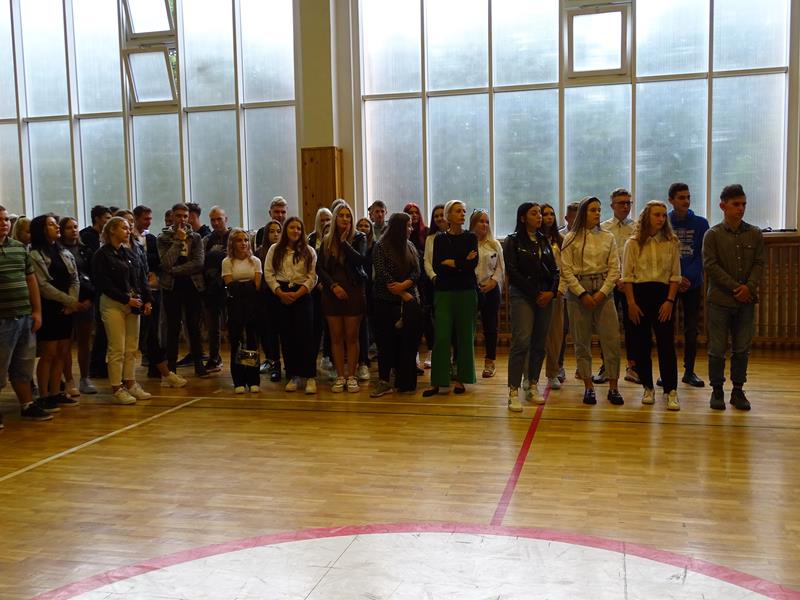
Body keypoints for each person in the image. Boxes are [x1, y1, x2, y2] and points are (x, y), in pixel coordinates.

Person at [703, 184, 764, 411]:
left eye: (743, 204)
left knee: (741, 348)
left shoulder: (755, 233)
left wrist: (749, 287)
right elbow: (711, 265)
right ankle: (717, 390)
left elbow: (759, 263)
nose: (741, 208)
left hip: (746, 301)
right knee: (717, 349)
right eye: (736, 204)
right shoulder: (713, 235)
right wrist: (737, 287)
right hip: (720, 301)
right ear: (723, 206)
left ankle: (738, 390)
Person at [560, 196, 624, 406]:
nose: (597, 213)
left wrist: (602, 293)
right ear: (583, 213)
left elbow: (615, 268)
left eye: (599, 210)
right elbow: (566, 270)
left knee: (611, 340)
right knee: (581, 341)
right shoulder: (570, 238)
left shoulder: (608, 237)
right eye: (592, 210)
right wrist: (582, 294)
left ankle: (613, 386)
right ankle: (588, 386)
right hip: (579, 292)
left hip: (604, 291)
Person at [622, 201, 682, 411]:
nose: (661, 219)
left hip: (663, 296)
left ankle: (671, 390)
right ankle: (647, 387)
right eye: (657, 215)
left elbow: (675, 275)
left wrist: (669, 301)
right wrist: (631, 303)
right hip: (639, 296)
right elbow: (627, 276)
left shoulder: (671, 242)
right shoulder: (632, 243)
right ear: (646, 217)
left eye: (664, 215)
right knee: (641, 343)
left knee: (666, 344)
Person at [503, 203, 559, 411]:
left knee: (539, 342)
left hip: (545, 296)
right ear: (523, 218)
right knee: (521, 342)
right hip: (523, 296)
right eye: (534, 213)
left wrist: (551, 292)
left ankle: (533, 384)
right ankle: (513, 391)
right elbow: (512, 271)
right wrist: (535, 294)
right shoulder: (513, 240)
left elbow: (555, 271)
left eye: (540, 213)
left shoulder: (544, 240)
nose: (539, 217)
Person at [92, 217, 154, 404]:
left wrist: (147, 299)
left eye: (129, 228)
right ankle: (117, 386)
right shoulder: (102, 254)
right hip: (113, 304)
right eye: (124, 228)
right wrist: (126, 299)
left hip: (133, 304)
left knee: (132, 347)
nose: (128, 231)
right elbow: (103, 283)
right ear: (112, 230)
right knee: (117, 347)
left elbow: (141, 277)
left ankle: (131, 382)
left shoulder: (129, 252)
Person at [0, 205, 51, 426]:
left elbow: (31, 280)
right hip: (2, 319)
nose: (4, 223)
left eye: (5, 219)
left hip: (24, 316)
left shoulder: (19, 248)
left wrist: (37, 311)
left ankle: (27, 405)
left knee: (23, 365)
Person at [423, 200, 478, 397]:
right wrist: (462, 262)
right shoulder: (440, 239)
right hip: (444, 291)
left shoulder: (471, 237)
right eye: (458, 211)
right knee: (442, 336)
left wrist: (452, 262)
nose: (462, 214)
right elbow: (438, 266)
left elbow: (472, 264)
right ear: (448, 215)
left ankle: (462, 378)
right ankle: (439, 381)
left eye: (464, 211)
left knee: (465, 336)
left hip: (466, 291)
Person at [29, 214, 83, 411]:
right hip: (49, 307)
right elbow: (43, 286)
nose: (56, 227)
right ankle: (43, 395)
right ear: (41, 230)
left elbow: (74, 278)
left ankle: (56, 392)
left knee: (62, 351)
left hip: (67, 308)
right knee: (48, 354)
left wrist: (72, 302)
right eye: (51, 225)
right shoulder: (35, 254)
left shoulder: (63, 251)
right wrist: (69, 301)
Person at [317, 201, 369, 393]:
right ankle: (340, 376)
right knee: (336, 337)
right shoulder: (326, 240)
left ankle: (352, 376)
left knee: (352, 337)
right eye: (341, 215)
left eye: (348, 216)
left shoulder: (359, 237)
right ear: (335, 218)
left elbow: (360, 260)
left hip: (353, 291)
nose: (345, 219)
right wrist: (333, 286)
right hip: (332, 293)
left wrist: (345, 242)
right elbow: (320, 268)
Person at [264, 216, 318, 394]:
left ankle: (309, 376)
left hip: (302, 294)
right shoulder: (274, 249)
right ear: (286, 230)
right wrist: (280, 292)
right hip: (281, 294)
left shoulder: (309, 251)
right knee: (287, 337)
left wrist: (299, 293)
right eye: (292, 227)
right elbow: (269, 273)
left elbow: (312, 276)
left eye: (299, 228)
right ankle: (293, 375)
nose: (295, 231)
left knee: (306, 336)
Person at [370, 212, 422, 396]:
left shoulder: (410, 245)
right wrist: (400, 291)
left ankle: (404, 381)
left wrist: (405, 286)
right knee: (386, 343)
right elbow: (382, 274)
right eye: (408, 226)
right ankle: (384, 381)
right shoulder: (381, 246)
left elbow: (417, 271)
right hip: (385, 300)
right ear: (399, 227)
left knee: (406, 343)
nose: (411, 229)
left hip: (408, 300)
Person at [157, 203, 209, 378]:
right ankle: (171, 365)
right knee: (172, 326)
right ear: (172, 216)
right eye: (179, 216)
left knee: (194, 326)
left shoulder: (196, 237)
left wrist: (175, 270)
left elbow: (198, 263)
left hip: (192, 285)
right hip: (171, 287)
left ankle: (198, 363)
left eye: (185, 216)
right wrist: (178, 241)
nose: (182, 219)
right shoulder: (163, 238)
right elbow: (166, 262)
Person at [667, 183, 709, 388]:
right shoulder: (664, 221)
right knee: (666, 329)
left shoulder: (701, 223)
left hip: (692, 283)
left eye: (688, 197)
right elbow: (663, 254)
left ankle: (689, 371)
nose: (686, 201)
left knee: (691, 329)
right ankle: (668, 371)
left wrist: (688, 277)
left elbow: (703, 254)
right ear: (671, 200)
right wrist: (675, 277)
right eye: (681, 197)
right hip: (669, 282)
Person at [599, 188, 638, 384]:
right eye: (621, 203)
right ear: (612, 205)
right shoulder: (603, 228)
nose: (625, 206)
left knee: (633, 326)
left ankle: (633, 366)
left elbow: (639, 258)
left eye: (628, 203)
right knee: (606, 327)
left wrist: (627, 279)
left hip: (631, 284)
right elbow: (601, 258)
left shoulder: (637, 228)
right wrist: (615, 279)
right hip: (609, 283)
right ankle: (606, 366)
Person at [222, 228, 262, 393]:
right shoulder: (227, 262)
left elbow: (257, 285)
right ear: (232, 243)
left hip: (252, 305)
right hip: (235, 306)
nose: (243, 243)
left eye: (245, 240)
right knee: (237, 341)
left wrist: (242, 286)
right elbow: (230, 286)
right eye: (239, 240)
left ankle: (253, 379)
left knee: (251, 341)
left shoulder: (255, 261)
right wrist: (246, 285)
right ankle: (239, 380)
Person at [59, 216, 96, 395]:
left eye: (75, 227)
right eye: (68, 227)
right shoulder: (57, 250)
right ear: (62, 230)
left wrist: (89, 299)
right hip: (66, 301)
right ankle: (69, 379)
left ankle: (85, 378)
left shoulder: (85, 250)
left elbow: (94, 276)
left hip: (85, 301)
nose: (73, 230)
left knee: (84, 341)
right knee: (65, 343)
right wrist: (69, 301)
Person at [469, 209, 504, 379]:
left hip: (490, 289)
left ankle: (490, 362)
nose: (484, 225)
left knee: (490, 327)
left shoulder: (494, 244)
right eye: (481, 221)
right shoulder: (467, 242)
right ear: (473, 224)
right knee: (467, 327)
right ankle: (463, 362)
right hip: (471, 289)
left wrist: (493, 282)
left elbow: (500, 267)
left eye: (487, 222)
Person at [82, 205, 112, 379]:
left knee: (104, 330)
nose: (109, 221)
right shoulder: (87, 236)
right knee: (100, 330)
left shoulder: (106, 237)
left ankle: (99, 363)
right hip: (94, 288)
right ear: (97, 219)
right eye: (106, 218)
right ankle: (95, 364)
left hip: (104, 287)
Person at [540, 203, 567, 389]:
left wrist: (560, 290)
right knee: (536, 336)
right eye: (545, 214)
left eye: (552, 214)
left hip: (557, 292)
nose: (549, 217)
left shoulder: (561, 240)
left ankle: (553, 372)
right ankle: (530, 375)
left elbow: (566, 268)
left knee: (556, 335)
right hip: (539, 291)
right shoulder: (534, 239)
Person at [202, 206, 231, 373]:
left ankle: (241, 360)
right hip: (212, 288)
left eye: (219, 219)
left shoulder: (235, 237)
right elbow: (201, 262)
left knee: (235, 325)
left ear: (226, 219)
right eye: (212, 220)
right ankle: (214, 358)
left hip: (231, 286)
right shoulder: (206, 240)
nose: (216, 223)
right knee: (213, 327)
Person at [255, 220, 284, 381]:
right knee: (269, 332)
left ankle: (290, 365)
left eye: (278, 231)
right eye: (272, 231)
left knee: (285, 332)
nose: (275, 234)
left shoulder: (286, 251)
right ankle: (274, 363)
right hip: (266, 296)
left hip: (283, 295)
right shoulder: (259, 252)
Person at [404, 202, 430, 370]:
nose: (413, 215)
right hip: (408, 281)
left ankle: (429, 352)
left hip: (424, 280)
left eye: (416, 212)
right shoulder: (402, 234)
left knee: (426, 317)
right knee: (411, 320)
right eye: (410, 212)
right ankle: (413, 355)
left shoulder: (425, 232)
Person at [421, 204, 448, 369]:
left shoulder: (455, 235)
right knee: (432, 319)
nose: (439, 218)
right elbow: (426, 260)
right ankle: (433, 351)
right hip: (433, 283)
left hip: (450, 283)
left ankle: (450, 355)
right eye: (436, 216)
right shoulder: (430, 238)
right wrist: (433, 276)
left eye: (441, 215)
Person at [307, 208, 333, 377]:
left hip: (331, 288)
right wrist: (318, 284)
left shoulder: (336, 238)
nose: (325, 223)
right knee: (316, 325)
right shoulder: (311, 239)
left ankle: (328, 356)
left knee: (331, 326)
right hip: (315, 289)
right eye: (322, 220)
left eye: (328, 219)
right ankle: (312, 362)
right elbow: (309, 265)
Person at [355, 217, 374, 381]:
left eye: (366, 225)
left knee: (367, 325)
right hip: (356, 288)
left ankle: (364, 360)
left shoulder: (375, 246)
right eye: (360, 225)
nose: (363, 228)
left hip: (371, 290)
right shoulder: (354, 244)